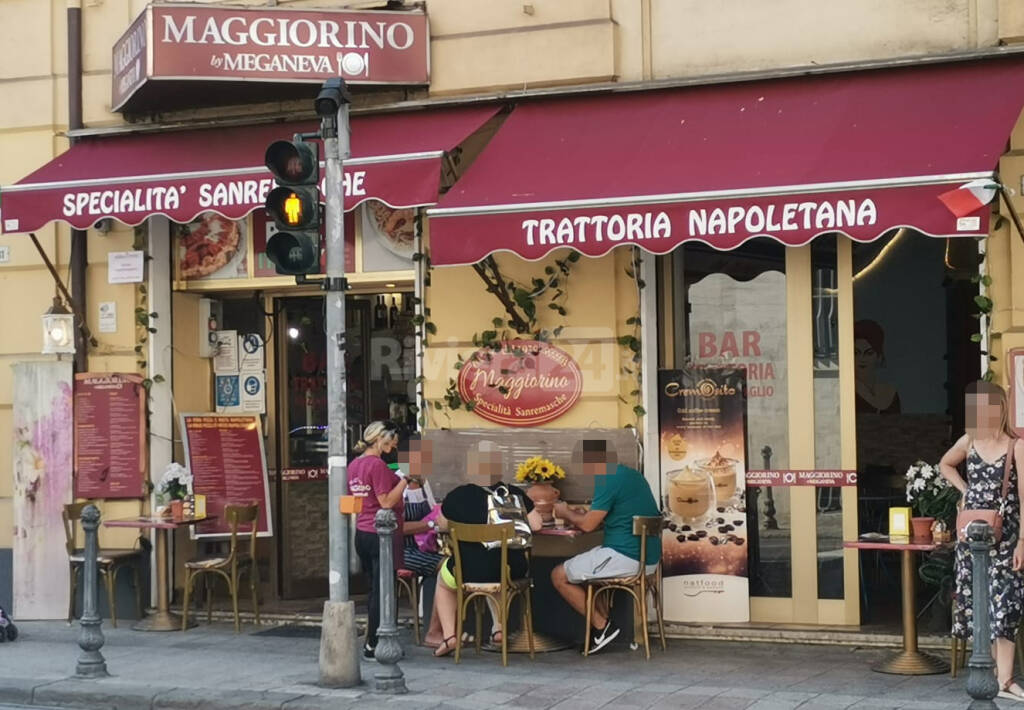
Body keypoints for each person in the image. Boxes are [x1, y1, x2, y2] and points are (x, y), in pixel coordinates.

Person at [941, 381, 1024, 701]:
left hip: (1006, 538)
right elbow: (945, 464)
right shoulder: (970, 441)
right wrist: (966, 491)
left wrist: (1021, 543)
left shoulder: (1015, 446)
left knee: (1006, 604)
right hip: (971, 538)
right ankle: (989, 676)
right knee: (979, 604)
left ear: (1001, 409)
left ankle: (1004, 679)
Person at [428, 441, 543, 658]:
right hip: (511, 569)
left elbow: (442, 525)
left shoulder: (457, 496)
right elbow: (536, 525)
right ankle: (498, 629)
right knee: (498, 571)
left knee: (444, 581)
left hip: (467, 570)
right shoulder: (513, 493)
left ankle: (450, 637)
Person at [551, 440, 661, 655]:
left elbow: (588, 525)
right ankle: (602, 631)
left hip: (626, 555)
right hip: (648, 558)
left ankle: (603, 628)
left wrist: (565, 513)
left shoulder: (608, 478)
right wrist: (580, 515)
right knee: (591, 573)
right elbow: (602, 517)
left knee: (558, 575)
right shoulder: (632, 476)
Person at [348, 421, 404, 659]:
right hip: (379, 534)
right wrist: (405, 481)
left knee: (373, 589)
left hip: (362, 531)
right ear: (383, 439)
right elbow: (386, 502)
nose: (394, 447)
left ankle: (373, 637)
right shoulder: (377, 465)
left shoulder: (354, 465)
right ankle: (374, 641)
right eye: (393, 442)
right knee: (383, 591)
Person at [398, 435, 444, 579]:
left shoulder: (423, 482)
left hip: (425, 546)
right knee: (448, 567)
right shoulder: (397, 483)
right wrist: (431, 524)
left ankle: (426, 601)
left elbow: (433, 511)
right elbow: (398, 527)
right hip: (402, 551)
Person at [854, 319, 901, 414]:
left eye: (869, 353)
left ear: (879, 356)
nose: (862, 359)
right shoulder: (847, 391)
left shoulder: (890, 393)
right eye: (856, 353)